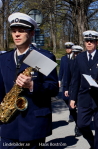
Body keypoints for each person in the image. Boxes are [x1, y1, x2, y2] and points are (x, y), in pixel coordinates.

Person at [0, 12, 59, 148]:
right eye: (14, 31)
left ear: (32, 33)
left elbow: (53, 88)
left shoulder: (42, 57)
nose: (17, 34)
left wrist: (32, 85)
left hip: (34, 124)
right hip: (9, 124)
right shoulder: (3, 58)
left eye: (21, 31)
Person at [69, 30, 98, 149]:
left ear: (96, 42)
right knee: (82, 124)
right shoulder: (79, 58)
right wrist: (72, 98)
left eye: (92, 41)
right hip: (84, 97)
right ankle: (94, 143)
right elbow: (75, 79)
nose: (89, 43)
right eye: (87, 41)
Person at [64, 45, 83, 137]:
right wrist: (66, 88)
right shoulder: (70, 62)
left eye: (77, 53)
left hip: (82, 89)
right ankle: (77, 122)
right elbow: (67, 76)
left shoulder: (84, 63)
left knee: (80, 109)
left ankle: (78, 127)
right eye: (74, 53)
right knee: (72, 109)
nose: (76, 55)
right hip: (72, 88)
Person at [58, 42, 75, 122]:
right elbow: (61, 70)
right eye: (67, 48)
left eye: (69, 48)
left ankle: (72, 114)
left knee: (71, 97)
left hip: (72, 81)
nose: (68, 49)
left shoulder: (75, 57)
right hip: (65, 81)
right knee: (65, 98)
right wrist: (59, 80)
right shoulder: (63, 58)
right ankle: (72, 110)